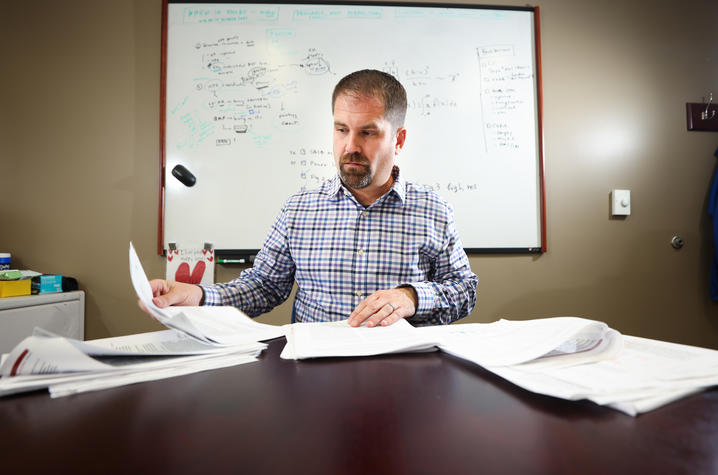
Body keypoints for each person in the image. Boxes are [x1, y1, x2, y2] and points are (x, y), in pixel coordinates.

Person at [145, 69, 478, 327]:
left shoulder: (433, 211)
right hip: (315, 379)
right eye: (341, 129)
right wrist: (198, 295)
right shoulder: (299, 210)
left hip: (402, 376)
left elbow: (465, 291)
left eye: (368, 132)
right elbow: (263, 286)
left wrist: (413, 297)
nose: (350, 147)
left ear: (399, 139)